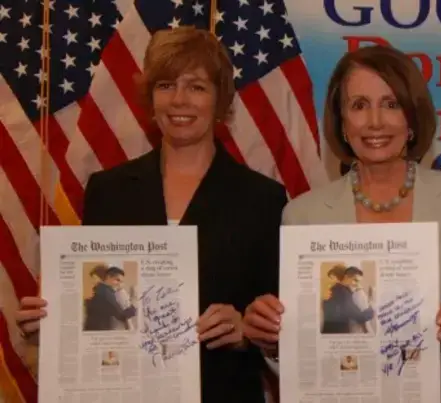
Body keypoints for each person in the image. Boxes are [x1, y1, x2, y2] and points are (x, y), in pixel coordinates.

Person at [14, 26, 285, 403]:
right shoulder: (107, 191)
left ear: (220, 100)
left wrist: (246, 331)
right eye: (166, 85)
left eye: (196, 87)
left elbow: (279, 325)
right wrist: (52, 327)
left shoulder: (263, 198)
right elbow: (98, 307)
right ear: (150, 97)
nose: (179, 100)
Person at [242, 45, 441, 402]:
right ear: (341, 122)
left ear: (412, 117)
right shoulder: (302, 216)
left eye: (391, 104)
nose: (375, 122)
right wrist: (273, 340)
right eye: (359, 105)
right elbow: (302, 348)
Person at [83, 266, 137, 331]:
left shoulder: (102, 290)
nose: (119, 284)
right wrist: (134, 306)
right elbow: (121, 316)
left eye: (121, 281)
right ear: (108, 277)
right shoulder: (106, 292)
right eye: (117, 280)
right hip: (98, 331)